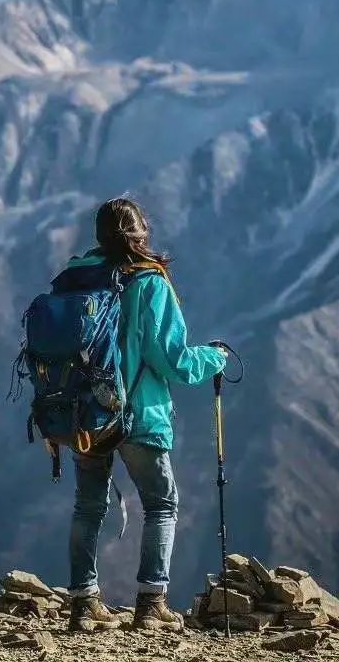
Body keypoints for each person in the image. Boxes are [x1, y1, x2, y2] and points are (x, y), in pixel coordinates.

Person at [66, 197, 226, 633]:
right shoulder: (150, 283)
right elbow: (171, 359)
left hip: (85, 414)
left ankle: (82, 605)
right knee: (161, 504)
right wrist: (213, 359)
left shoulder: (77, 275)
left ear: (100, 235)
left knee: (88, 506)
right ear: (141, 234)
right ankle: (151, 604)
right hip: (138, 414)